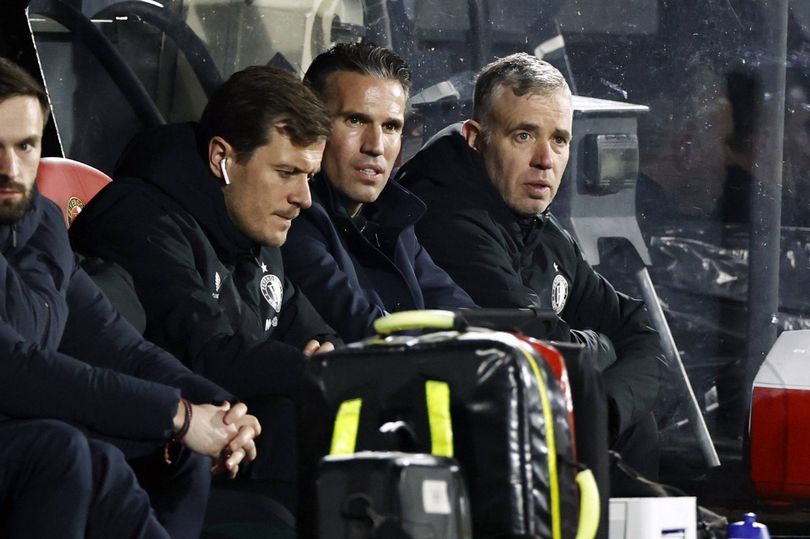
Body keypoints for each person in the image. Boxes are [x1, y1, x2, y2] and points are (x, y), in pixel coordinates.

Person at [0, 56, 259, 538]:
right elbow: (14, 368)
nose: (10, 168)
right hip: (25, 432)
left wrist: (217, 408)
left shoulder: (38, 224)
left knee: (167, 452)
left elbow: (114, 344)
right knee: (61, 450)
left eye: (26, 146)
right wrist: (176, 414)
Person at [69, 65, 336, 507]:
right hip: (153, 468)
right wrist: (315, 375)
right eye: (287, 172)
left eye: (308, 176)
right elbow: (206, 352)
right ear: (222, 159)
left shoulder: (253, 224)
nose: (304, 199)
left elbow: (306, 328)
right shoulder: (140, 221)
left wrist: (326, 355)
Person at [398, 53, 666, 478]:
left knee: (633, 420)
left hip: (543, 436)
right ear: (475, 137)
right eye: (524, 135)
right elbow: (537, 345)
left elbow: (642, 331)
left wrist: (606, 412)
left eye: (559, 140)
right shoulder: (443, 215)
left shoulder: (537, 224)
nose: (546, 159)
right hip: (475, 451)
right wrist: (603, 353)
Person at [281, 42, 476, 343]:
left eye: (390, 127)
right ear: (309, 124)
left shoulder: (394, 216)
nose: (375, 145)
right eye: (355, 120)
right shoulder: (292, 217)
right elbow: (363, 330)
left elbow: (466, 319)